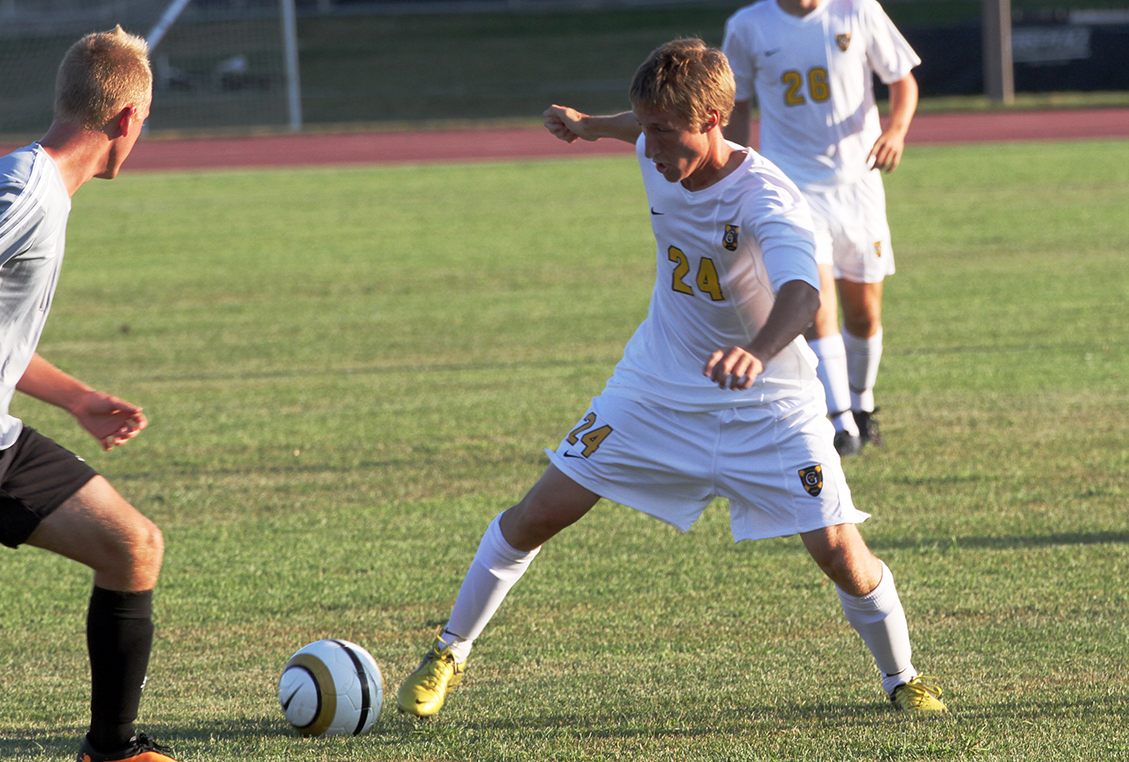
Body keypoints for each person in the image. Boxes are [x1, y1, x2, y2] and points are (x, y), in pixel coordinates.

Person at [395, 38, 944, 719]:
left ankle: (903, 678)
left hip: (767, 401)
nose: (650, 150)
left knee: (839, 551)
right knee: (537, 513)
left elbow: (805, 296)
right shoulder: (659, 145)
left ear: (715, 121)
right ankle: (449, 650)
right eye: (645, 128)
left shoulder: (767, 198)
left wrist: (759, 351)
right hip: (654, 385)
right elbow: (642, 124)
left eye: (663, 132)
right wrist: (593, 126)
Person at [0, 26, 178, 762]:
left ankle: (112, 750)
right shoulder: (25, 189)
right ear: (128, 119)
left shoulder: (38, 186)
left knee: (132, 546)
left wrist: (76, 398)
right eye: (147, 122)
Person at [722, 0, 921, 455]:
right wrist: (735, 172)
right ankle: (840, 422)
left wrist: (897, 131)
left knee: (864, 313)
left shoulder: (857, 10)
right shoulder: (748, 26)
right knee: (815, 300)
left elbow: (901, 80)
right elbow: (738, 106)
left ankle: (862, 404)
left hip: (859, 185)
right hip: (793, 188)